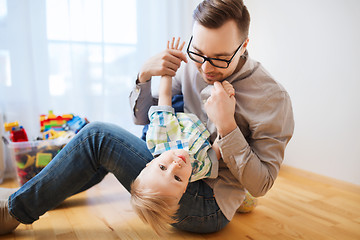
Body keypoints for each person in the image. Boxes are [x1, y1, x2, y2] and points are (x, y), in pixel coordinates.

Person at [0, 0, 294, 236]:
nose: (205, 68)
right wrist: (144, 76)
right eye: (198, 52)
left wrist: (228, 127)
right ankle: (31, 193)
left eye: (219, 58)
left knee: (99, 137)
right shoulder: (194, 66)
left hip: (207, 203)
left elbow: (262, 185)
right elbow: (146, 121)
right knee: (113, 145)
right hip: (172, 166)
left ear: (244, 47)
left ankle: (13, 211)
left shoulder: (271, 99)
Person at [130, 38, 239, 234]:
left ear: (149, 163)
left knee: (173, 102)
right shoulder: (198, 168)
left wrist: (168, 71)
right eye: (177, 178)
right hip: (199, 124)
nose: (176, 165)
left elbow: (164, 98)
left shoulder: (159, 137)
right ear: (185, 189)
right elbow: (219, 146)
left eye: (162, 167)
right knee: (210, 104)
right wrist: (226, 104)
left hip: (175, 116)